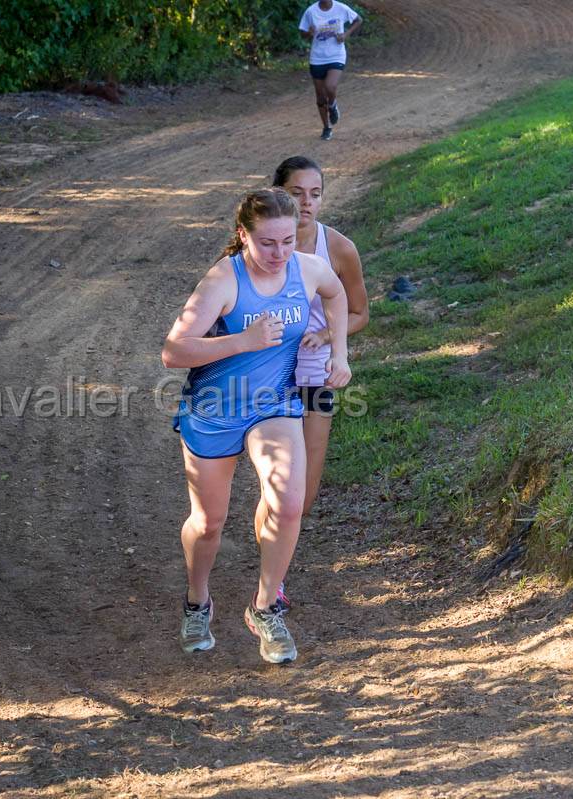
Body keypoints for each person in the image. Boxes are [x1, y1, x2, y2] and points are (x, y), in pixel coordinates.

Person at [162, 188, 351, 664]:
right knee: (208, 524)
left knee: (288, 504)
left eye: (287, 241)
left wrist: (338, 350)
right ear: (243, 235)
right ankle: (196, 601)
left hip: (275, 405)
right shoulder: (223, 281)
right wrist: (243, 341)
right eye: (267, 243)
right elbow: (174, 352)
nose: (279, 254)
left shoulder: (305, 268)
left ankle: (265, 608)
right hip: (214, 409)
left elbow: (337, 291)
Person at [256, 156, 369, 611]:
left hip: (316, 373)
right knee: (279, 487)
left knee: (303, 495)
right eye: (297, 193)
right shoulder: (259, 247)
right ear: (279, 193)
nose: (307, 203)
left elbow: (360, 312)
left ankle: (272, 556)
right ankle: (272, 586)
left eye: (315, 193)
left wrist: (328, 335)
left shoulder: (338, 248)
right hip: (266, 375)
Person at [299, 0, 362, 141]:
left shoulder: (341, 8)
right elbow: (302, 32)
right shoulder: (311, 11)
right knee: (320, 97)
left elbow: (358, 20)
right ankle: (327, 128)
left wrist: (346, 35)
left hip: (336, 55)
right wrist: (308, 33)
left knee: (330, 86)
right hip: (317, 57)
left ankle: (333, 105)